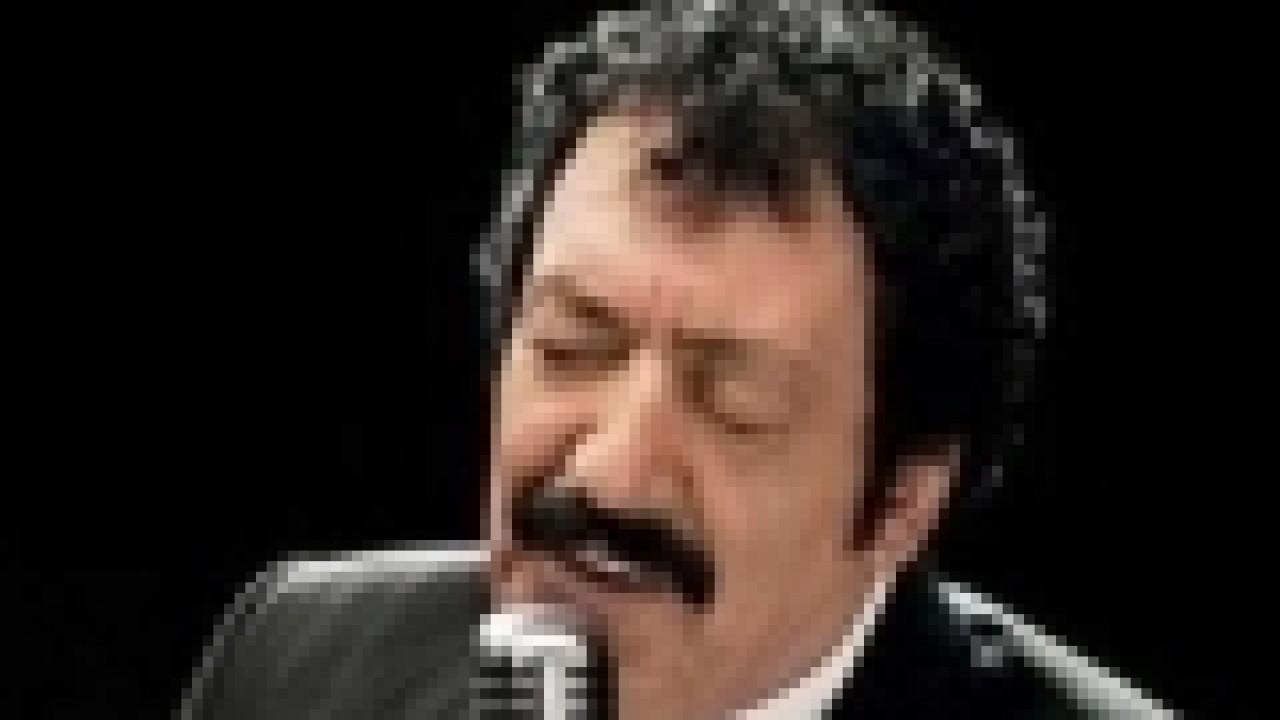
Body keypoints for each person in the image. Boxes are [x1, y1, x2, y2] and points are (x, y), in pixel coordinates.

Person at [178, 1, 1170, 717]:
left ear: (903, 500)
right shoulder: (295, 665)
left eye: (735, 402)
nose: (611, 471)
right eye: (571, 347)